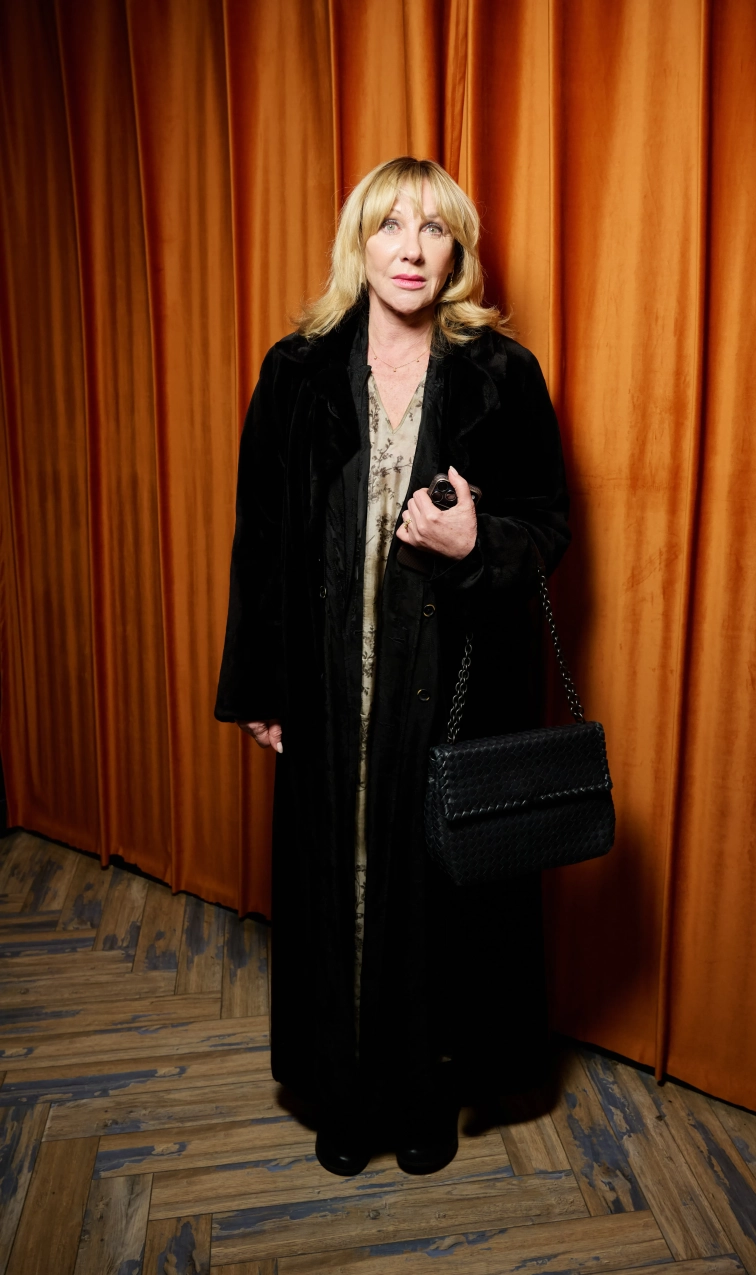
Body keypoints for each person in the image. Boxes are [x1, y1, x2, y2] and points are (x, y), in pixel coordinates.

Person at [215, 156, 570, 1178]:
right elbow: (260, 538)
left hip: (451, 689)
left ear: (457, 252)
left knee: (433, 896)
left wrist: (477, 541)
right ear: (358, 243)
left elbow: (548, 527)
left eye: (433, 229)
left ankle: (423, 1092)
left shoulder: (502, 376)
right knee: (342, 884)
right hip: (329, 684)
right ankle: (343, 1091)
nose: (410, 249)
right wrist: (259, 684)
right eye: (389, 225)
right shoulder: (296, 372)